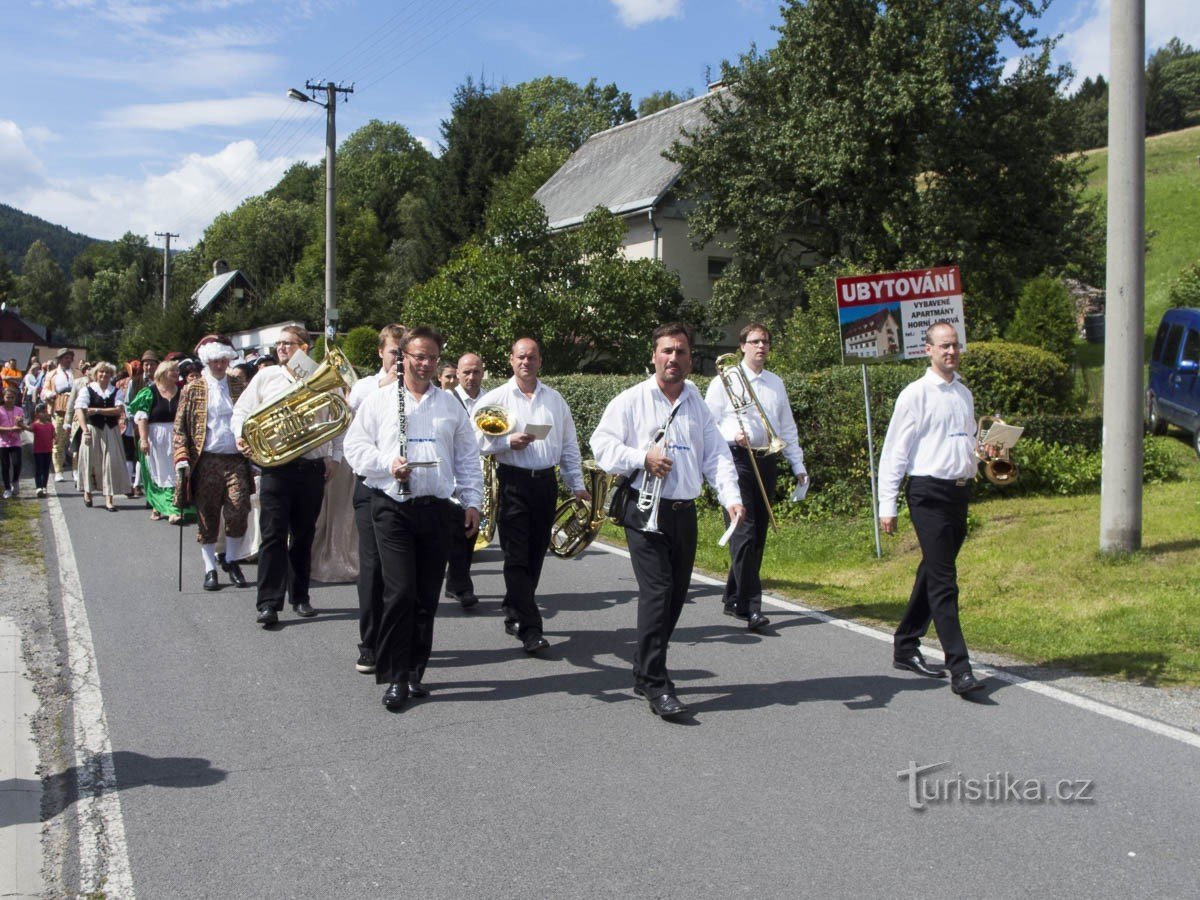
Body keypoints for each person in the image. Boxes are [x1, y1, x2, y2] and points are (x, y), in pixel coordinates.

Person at [591, 322, 744, 719]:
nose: (673, 358)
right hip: (644, 510)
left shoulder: (697, 403)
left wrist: (731, 499)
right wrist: (642, 458)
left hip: (683, 512)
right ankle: (658, 685)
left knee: (674, 597)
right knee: (657, 593)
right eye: (666, 351)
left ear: (691, 359)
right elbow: (601, 444)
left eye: (680, 352)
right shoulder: (632, 400)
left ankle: (644, 671)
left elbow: (716, 457)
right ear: (654, 355)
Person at [343, 325, 483, 711]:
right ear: (403, 357)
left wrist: (472, 502)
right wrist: (386, 465)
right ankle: (395, 675)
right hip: (391, 508)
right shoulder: (379, 401)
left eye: (432, 358)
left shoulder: (450, 405)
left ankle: (416, 670)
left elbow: (467, 458)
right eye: (418, 356)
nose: (424, 364)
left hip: (436, 508)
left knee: (425, 596)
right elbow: (353, 447)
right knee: (400, 592)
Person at [878, 320, 986, 696]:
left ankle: (906, 643)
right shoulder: (915, 394)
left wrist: (983, 453)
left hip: (958, 492)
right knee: (945, 581)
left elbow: (965, 441)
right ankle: (960, 668)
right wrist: (886, 505)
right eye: (943, 346)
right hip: (927, 493)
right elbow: (895, 452)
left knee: (934, 570)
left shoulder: (964, 394)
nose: (951, 352)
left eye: (955, 345)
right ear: (928, 350)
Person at [474, 338, 588, 654]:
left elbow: (568, 446)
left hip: (545, 484)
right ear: (511, 360)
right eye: (521, 356)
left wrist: (576, 484)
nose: (526, 361)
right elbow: (476, 442)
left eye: (532, 357)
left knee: (536, 554)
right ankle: (531, 627)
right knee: (516, 555)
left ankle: (514, 607)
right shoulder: (496, 398)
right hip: (512, 482)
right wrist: (507, 443)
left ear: (540, 361)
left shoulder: (555, 399)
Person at [232, 325, 340, 625]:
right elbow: (241, 411)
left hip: (312, 468)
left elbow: (339, 417)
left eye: (288, 343)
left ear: (304, 347)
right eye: (278, 343)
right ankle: (268, 602)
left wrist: (335, 458)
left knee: (304, 536)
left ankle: (301, 597)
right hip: (276, 468)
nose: (281, 348)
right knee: (272, 536)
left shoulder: (321, 377)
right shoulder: (266, 376)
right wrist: (241, 434)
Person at [704, 323, 809, 631]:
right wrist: (730, 435)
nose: (760, 346)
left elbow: (786, 427)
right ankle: (752, 608)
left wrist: (798, 465)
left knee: (757, 537)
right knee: (744, 533)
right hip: (735, 459)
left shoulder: (776, 383)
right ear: (742, 346)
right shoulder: (723, 382)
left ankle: (734, 597)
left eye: (765, 341)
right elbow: (707, 425)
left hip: (767, 458)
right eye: (754, 341)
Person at [345, 324, 406, 674]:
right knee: (372, 566)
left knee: (401, 572)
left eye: (403, 352)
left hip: (407, 490)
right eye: (394, 352)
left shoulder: (419, 387)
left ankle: (398, 641)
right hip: (371, 487)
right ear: (381, 354)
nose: (399, 358)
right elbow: (356, 431)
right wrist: (386, 386)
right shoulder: (366, 387)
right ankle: (369, 642)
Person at [173, 335, 254, 591]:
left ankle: (230, 560)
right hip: (206, 459)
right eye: (215, 360)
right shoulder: (193, 388)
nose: (220, 365)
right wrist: (181, 456)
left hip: (235, 459)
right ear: (207, 361)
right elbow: (180, 428)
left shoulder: (238, 384)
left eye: (223, 360)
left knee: (238, 509)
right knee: (207, 515)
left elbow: (251, 418)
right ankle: (210, 567)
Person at [444, 350, 485, 608]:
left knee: (468, 532)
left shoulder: (492, 400)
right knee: (450, 532)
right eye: (466, 372)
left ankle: (459, 585)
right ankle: (457, 583)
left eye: (476, 371)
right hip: (448, 475)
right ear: (457, 373)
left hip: (475, 473)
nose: (471, 377)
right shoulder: (445, 399)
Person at [128, 360, 190, 523]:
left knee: (175, 472)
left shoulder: (182, 391)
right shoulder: (149, 392)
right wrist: (143, 440)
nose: (177, 373)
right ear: (163, 374)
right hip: (156, 437)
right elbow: (141, 417)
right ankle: (161, 507)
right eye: (172, 371)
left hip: (177, 436)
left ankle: (172, 508)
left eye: (177, 371)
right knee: (159, 473)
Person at [74, 361, 132, 511]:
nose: (104, 375)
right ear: (95, 374)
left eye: (107, 373)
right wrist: (85, 429)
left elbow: (118, 410)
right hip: (93, 428)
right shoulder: (88, 390)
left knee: (110, 463)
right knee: (90, 461)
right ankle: (88, 492)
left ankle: (109, 498)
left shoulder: (115, 391)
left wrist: (97, 410)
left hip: (111, 430)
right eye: (101, 372)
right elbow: (80, 410)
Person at [44, 348, 77, 482]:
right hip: (58, 411)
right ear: (60, 359)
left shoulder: (78, 374)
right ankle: (58, 470)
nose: (68, 360)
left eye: (70, 357)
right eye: (65, 358)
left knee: (76, 441)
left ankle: (76, 470)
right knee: (58, 441)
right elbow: (44, 390)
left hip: (75, 412)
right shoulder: (52, 374)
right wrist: (49, 395)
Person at [0, 387, 25, 499]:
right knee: (5, 466)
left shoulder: (19, 410)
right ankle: (7, 488)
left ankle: (15, 481)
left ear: (15, 398)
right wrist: (10, 429)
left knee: (17, 463)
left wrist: (19, 424)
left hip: (16, 442)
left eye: (12, 397)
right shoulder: (0, 410)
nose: (9, 399)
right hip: (3, 443)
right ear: (3, 398)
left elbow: (22, 427)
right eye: (7, 397)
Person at [29, 403, 55, 499]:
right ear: (37, 414)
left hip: (48, 450)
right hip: (38, 451)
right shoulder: (35, 425)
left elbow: (54, 435)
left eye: (45, 412)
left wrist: (55, 439)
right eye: (42, 412)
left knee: (45, 469)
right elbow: (29, 428)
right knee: (38, 469)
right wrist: (21, 425)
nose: (44, 414)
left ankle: (44, 486)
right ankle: (38, 487)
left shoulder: (50, 425)